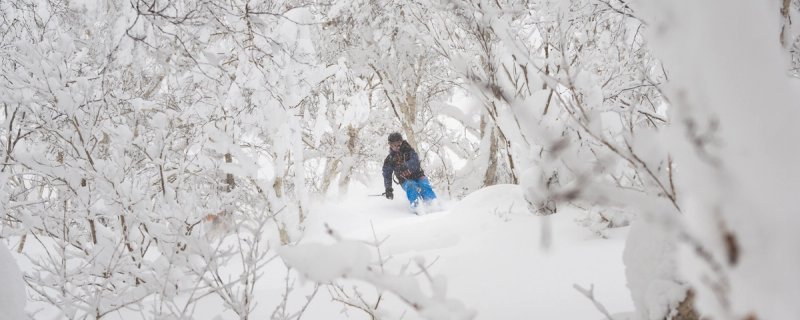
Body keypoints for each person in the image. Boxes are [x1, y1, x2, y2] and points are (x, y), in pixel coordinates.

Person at [382, 132, 438, 212]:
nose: (397, 147)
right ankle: (417, 207)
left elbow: (415, 162)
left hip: (418, 175)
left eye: (399, 143)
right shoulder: (390, 159)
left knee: (424, 184)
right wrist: (388, 189)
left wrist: (405, 166)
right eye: (394, 145)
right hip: (405, 180)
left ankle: (433, 204)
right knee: (411, 185)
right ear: (390, 145)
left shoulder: (409, 151)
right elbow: (387, 174)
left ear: (401, 142)